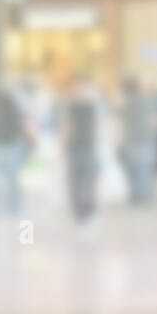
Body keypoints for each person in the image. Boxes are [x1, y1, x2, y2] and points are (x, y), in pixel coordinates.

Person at [0, 82, 31, 215]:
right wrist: (30, 139)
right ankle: (16, 209)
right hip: (12, 145)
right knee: (13, 180)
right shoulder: (15, 104)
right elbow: (24, 123)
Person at [62, 72, 100, 221]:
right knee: (77, 180)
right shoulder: (72, 107)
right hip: (76, 149)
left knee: (88, 179)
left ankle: (88, 208)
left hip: (88, 148)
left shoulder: (92, 106)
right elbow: (67, 128)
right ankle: (80, 209)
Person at [119, 76, 157, 205]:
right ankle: (144, 195)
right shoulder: (147, 101)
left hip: (130, 139)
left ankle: (136, 195)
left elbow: (120, 123)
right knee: (144, 168)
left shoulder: (124, 102)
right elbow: (154, 121)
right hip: (145, 138)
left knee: (133, 168)